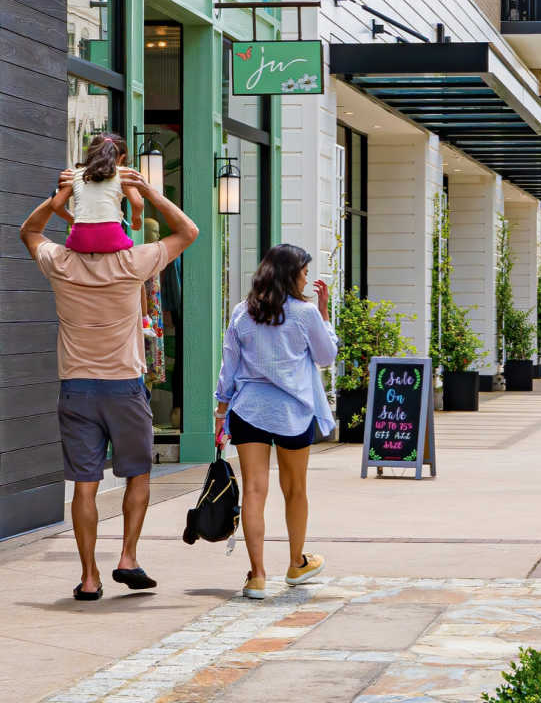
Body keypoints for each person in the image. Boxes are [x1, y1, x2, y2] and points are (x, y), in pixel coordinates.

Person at [20, 167, 198, 601]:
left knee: (85, 484)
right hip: (124, 388)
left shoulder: (61, 263)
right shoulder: (133, 262)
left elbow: (29, 230)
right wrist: (148, 191)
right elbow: (187, 230)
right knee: (138, 474)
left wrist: (58, 197)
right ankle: (128, 558)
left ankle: (88, 577)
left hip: (76, 389)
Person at [214, 244, 338, 599]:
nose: (306, 278)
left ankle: (256, 575)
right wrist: (324, 315)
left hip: (249, 409)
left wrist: (221, 414)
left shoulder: (242, 312)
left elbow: (229, 368)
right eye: (303, 272)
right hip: (292, 413)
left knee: (255, 489)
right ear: (289, 275)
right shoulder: (305, 313)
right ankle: (297, 563)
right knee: (295, 488)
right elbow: (326, 357)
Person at [52, 132, 144, 254]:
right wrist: (136, 219)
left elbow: (56, 205)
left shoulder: (76, 174)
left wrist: (73, 220)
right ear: (121, 158)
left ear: (91, 154)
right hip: (112, 237)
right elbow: (137, 203)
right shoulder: (123, 173)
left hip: (80, 240)